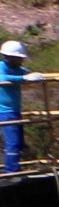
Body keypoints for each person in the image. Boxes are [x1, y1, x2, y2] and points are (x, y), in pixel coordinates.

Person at [0, 41, 26, 174]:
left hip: (14, 111)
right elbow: (2, 77)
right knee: (13, 143)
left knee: (19, 143)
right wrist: (23, 78)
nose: (21, 60)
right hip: (4, 112)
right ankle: (11, 171)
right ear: (10, 57)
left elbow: (25, 73)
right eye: (19, 58)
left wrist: (31, 76)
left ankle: (15, 167)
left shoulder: (17, 69)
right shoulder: (1, 67)